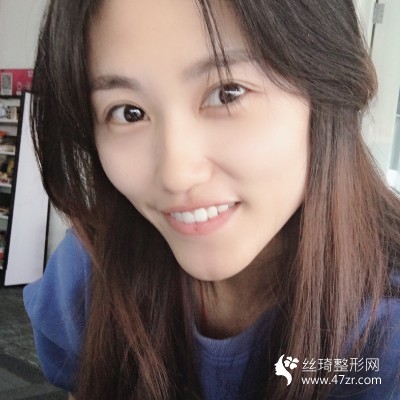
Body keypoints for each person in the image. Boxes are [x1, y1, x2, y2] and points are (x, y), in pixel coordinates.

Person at [23, 0, 400, 399]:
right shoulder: (90, 269)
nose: (175, 175)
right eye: (128, 112)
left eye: (227, 93)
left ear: (325, 91)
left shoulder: (385, 340)